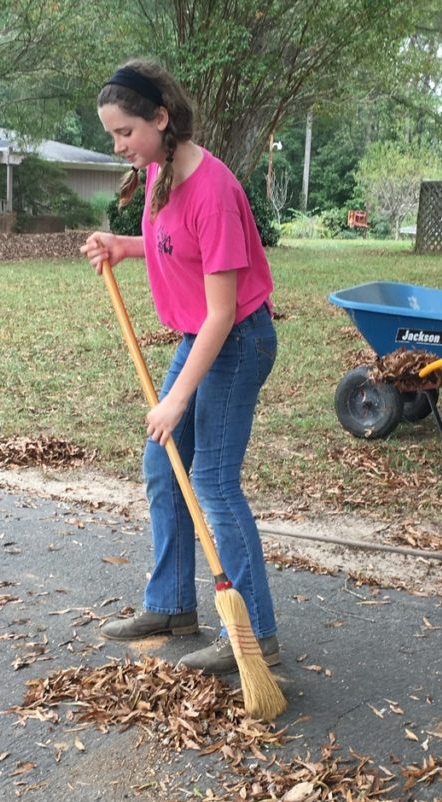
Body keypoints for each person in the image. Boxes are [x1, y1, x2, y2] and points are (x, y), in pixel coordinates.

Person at [80, 59, 279, 674]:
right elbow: (175, 246)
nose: (119, 146)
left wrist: (175, 400)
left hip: (234, 341)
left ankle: (256, 635)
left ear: (161, 119)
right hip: (200, 338)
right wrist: (125, 244)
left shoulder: (214, 191)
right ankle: (170, 605)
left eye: (125, 133)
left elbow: (222, 314)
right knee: (163, 466)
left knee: (215, 483)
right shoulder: (161, 171)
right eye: (112, 135)